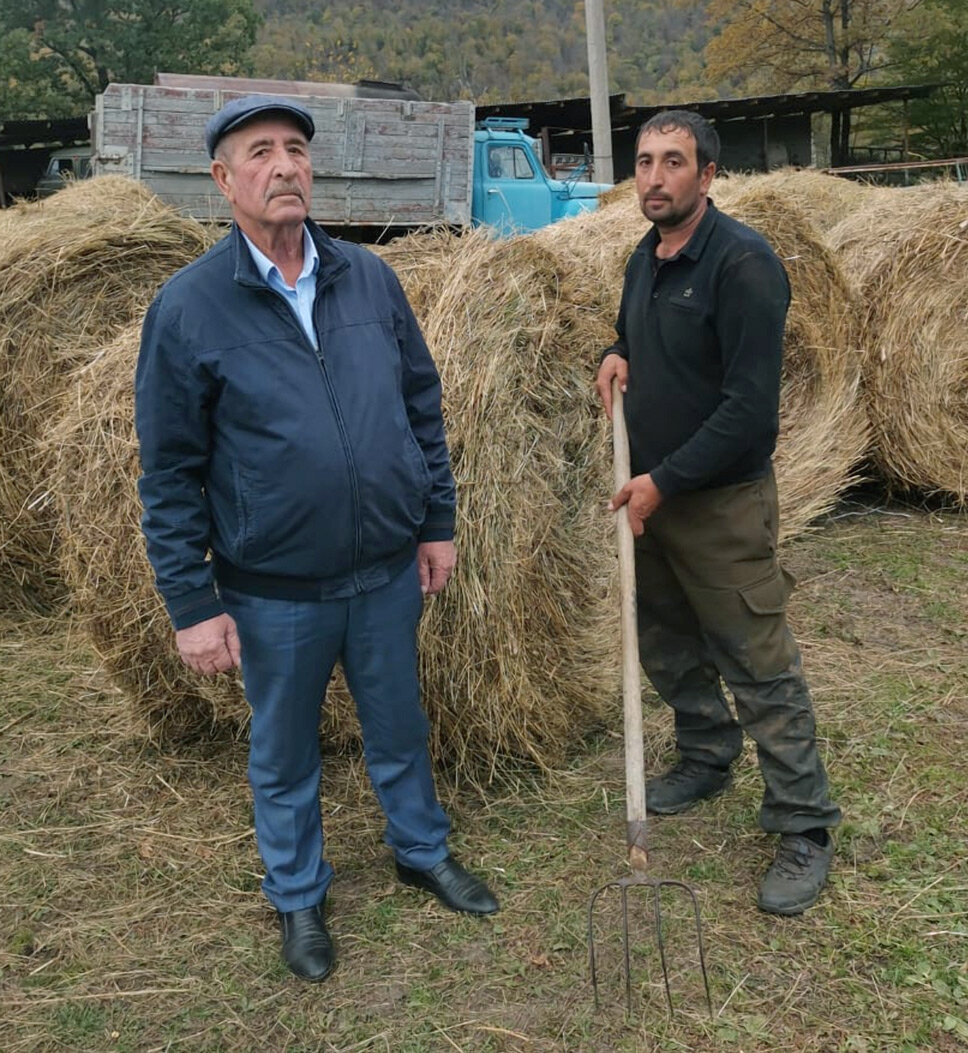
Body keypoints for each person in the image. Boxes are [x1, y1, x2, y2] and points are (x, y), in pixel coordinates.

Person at [135, 94, 498, 984]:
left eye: (296, 149)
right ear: (224, 180)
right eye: (260, 152)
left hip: (382, 572)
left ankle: (421, 850)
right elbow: (170, 472)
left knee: (399, 726)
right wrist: (192, 603)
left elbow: (421, 406)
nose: (285, 165)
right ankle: (298, 895)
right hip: (272, 589)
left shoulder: (367, 278)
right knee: (285, 750)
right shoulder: (187, 309)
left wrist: (437, 523)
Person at [596, 110, 841, 915]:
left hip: (720, 504)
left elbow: (748, 413)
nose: (655, 177)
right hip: (654, 497)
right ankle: (704, 755)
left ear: (708, 176)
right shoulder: (648, 254)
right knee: (667, 643)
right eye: (643, 162)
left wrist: (664, 482)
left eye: (673, 163)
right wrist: (615, 350)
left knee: (759, 662)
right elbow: (639, 334)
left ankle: (805, 824)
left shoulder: (744, 264)